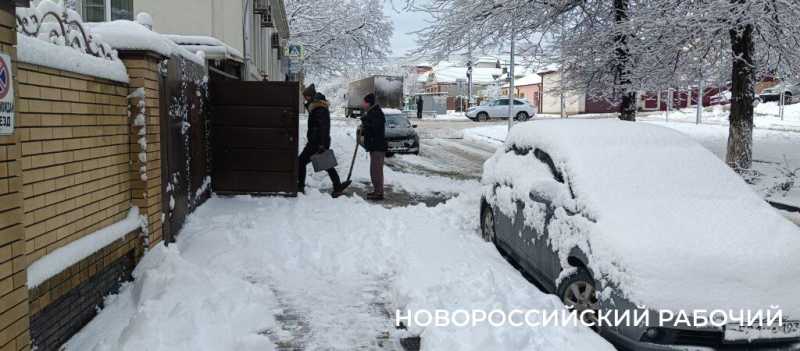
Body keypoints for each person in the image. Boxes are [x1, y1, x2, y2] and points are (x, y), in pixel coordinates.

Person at [298, 84, 350, 197]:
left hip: (316, 143)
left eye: (306, 97)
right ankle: (337, 186)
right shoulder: (317, 107)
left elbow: (323, 127)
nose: (305, 99)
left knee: (300, 162)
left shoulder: (319, 109)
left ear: (310, 96)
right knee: (326, 164)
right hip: (317, 141)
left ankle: (300, 186)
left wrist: (321, 144)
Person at [361, 93, 387, 200]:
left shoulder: (375, 113)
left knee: (376, 171)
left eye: (364, 102)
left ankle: (379, 193)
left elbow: (374, 129)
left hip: (378, 147)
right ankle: (377, 191)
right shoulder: (372, 112)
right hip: (375, 146)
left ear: (368, 103)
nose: (362, 104)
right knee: (374, 170)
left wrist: (365, 122)